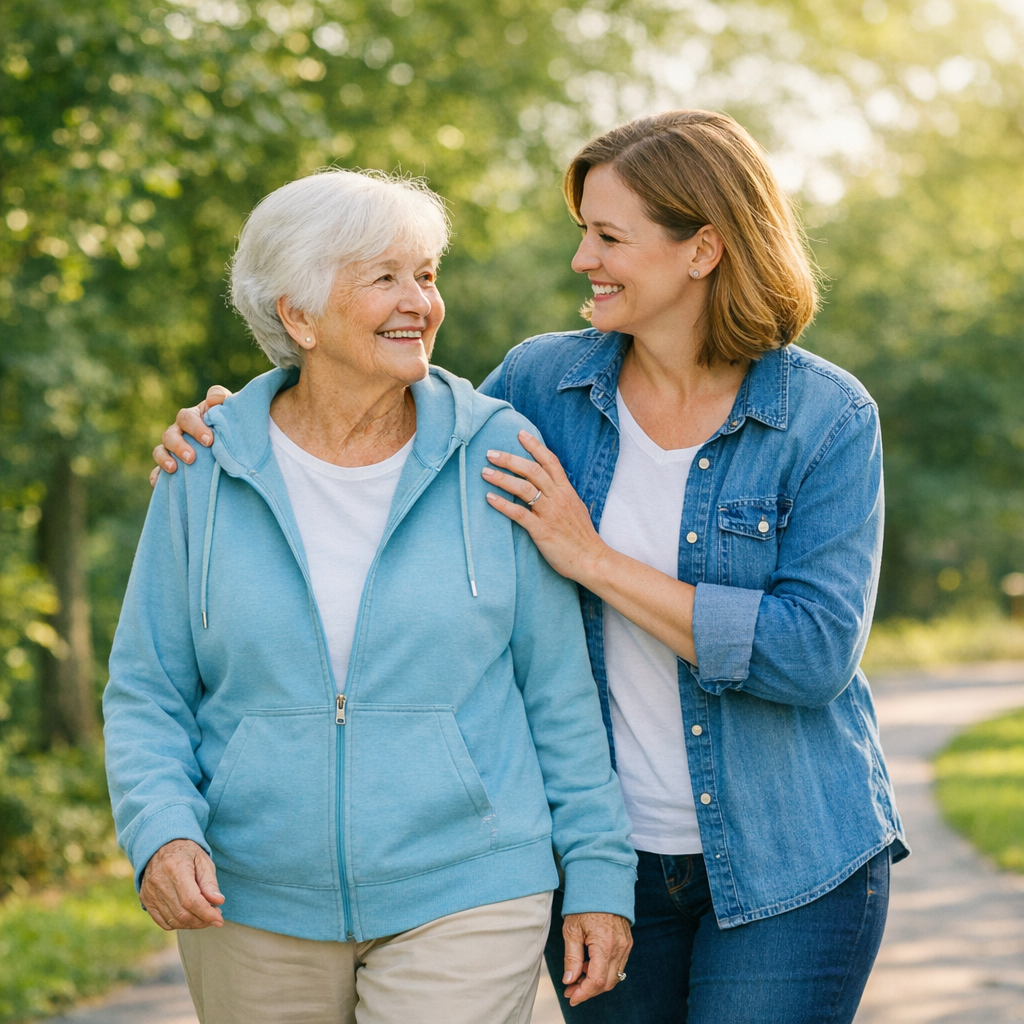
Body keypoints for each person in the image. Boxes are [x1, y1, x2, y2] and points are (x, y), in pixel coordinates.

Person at [154, 111, 907, 1024]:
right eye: (582, 231)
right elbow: (391, 415)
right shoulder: (542, 390)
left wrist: (591, 558)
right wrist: (242, 423)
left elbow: (813, 652)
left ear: (702, 249)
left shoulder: (823, 418)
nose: (583, 259)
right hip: (606, 857)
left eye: (609, 237)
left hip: (791, 856)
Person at [107, 168, 637, 1024]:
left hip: (470, 881)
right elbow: (149, 687)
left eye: (425, 274)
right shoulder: (204, 468)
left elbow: (558, 691)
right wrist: (160, 830)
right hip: (248, 895)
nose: (419, 302)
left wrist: (601, 874)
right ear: (298, 314)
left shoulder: (496, 450)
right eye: (383, 277)